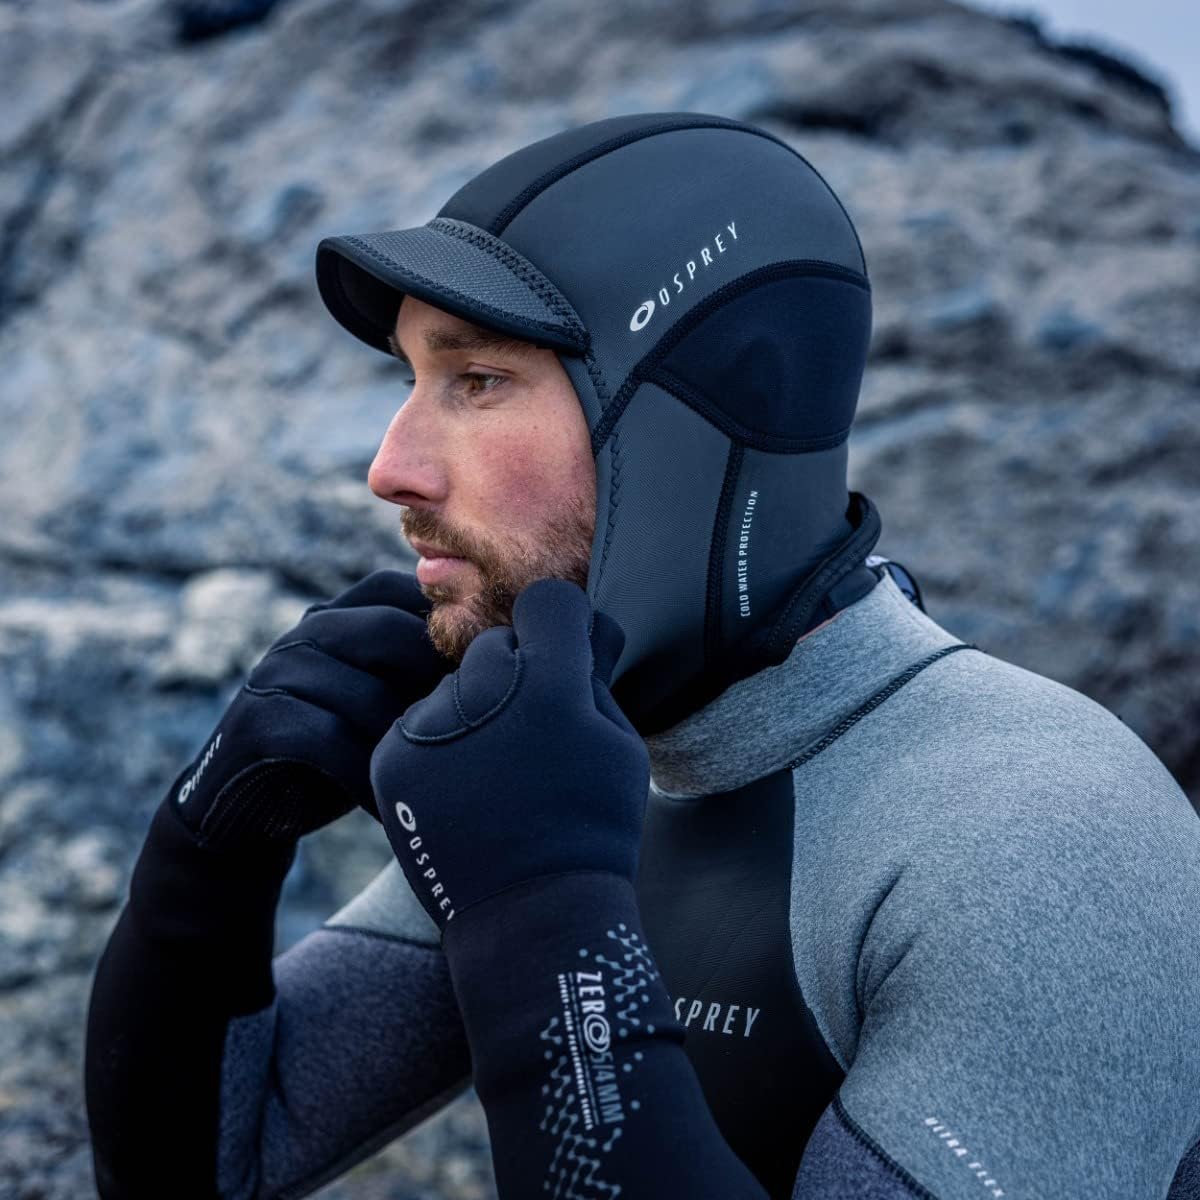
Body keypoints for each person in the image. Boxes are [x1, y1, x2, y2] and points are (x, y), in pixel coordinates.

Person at [84, 113, 1200, 1200]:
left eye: (477, 381)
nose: (390, 467)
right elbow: (211, 1166)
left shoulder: (1045, 846)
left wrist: (540, 914)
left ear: (686, 433)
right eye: (407, 381)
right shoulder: (579, 761)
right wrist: (210, 852)